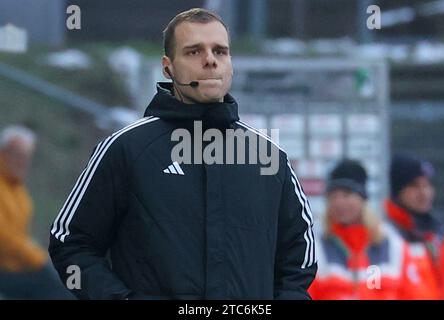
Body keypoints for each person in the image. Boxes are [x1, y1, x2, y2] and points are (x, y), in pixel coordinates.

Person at [49, 8, 317, 300]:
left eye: (220, 51)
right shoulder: (126, 148)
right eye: (193, 52)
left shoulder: (268, 158)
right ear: (168, 67)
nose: (210, 60)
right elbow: (70, 242)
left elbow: (299, 261)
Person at [308, 159, 425, 300]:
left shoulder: (393, 246)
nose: (339, 202)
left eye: (346, 194)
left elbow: (416, 294)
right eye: (333, 196)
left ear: (363, 198)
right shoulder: (315, 248)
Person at [0, 125, 73, 299]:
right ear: (3, 152)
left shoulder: (20, 193)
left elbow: (21, 236)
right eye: (17, 154)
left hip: (18, 267)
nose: (22, 161)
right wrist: (37, 258)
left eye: (27, 156)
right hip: (5, 270)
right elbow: (4, 238)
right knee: (54, 286)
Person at [384, 153, 444, 299]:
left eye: (427, 185)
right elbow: (372, 286)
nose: (424, 193)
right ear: (398, 191)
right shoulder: (383, 235)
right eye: (415, 186)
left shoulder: (438, 233)